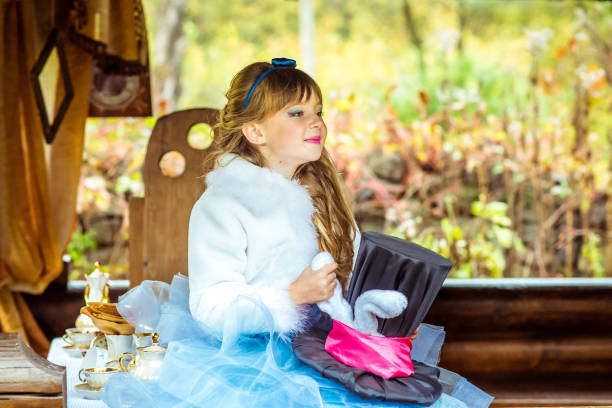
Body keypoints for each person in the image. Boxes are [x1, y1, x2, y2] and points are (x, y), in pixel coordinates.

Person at [103, 59, 488, 408]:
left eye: (318, 111)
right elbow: (210, 305)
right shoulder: (224, 204)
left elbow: (348, 287)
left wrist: (380, 325)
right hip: (258, 363)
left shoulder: (323, 197)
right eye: (297, 113)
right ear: (255, 131)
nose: (317, 122)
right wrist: (290, 297)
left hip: (332, 351)